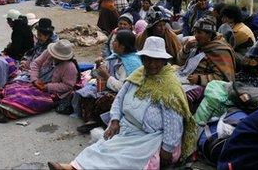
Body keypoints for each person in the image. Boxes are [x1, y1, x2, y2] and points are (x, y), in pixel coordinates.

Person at [48, 37, 197, 170]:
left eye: (156, 59)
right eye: (147, 59)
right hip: (127, 128)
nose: (151, 64)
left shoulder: (169, 86)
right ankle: (74, 167)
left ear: (164, 61)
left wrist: (167, 148)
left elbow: (174, 122)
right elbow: (120, 98)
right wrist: (114, 121)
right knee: (101, 149)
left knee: (122, 159)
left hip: (150, 137)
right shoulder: (139, 74)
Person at [0, 40, 79, 122]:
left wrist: (46, 87)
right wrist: (35, 79)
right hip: (36, 82)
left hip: (52, 92)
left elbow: (67, 86)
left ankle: (5, 109)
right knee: (15, 88)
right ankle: (0, 103)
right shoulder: (48, 53)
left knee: (32, 101)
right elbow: (36, 64)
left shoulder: (70, 67)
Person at [76, 30, 142, 134]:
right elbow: (99, 73)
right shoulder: (115, 57)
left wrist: (107, 76)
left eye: (115, 41)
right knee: (86, 92)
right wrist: (98, 66)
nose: (113, 43)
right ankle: (91, 120)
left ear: (122, 47)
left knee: (107, 100)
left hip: (127, 95)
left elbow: (122, 88)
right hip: (110, 87)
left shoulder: (131, 63)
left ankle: (99, 121)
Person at [177, 15, 236, 111]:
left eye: (199, 32)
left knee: (181, 97)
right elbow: (180, 63)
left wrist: (199, 79)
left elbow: (223, 78)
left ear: (209, 35)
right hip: (186, 78)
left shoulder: (219, 50)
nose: (195, 35)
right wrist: (186, 49)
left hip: (205, 87)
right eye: (195, 32)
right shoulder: (197, 44)